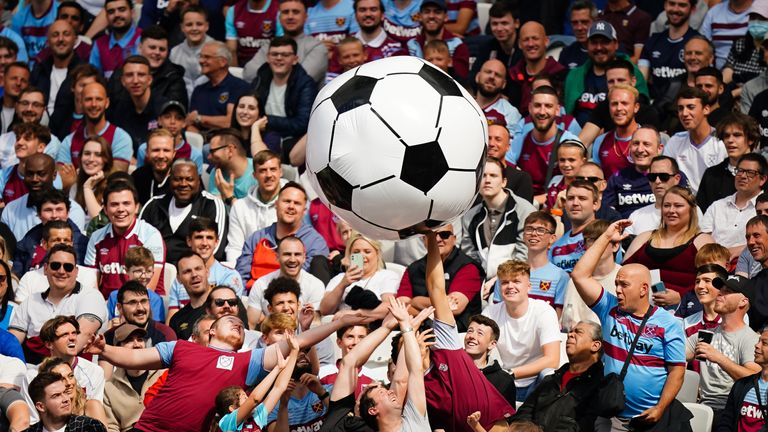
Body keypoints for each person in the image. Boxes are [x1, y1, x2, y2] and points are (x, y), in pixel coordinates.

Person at [86, 302, 373, 431]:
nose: (235, 319)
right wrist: (106, 350)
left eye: (239, 321)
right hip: (148, 430)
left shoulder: (247, 361)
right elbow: (136, 358)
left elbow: (297, 340)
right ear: (210, 331)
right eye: (226, 319)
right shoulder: (182, 348)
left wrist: (340, 322)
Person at [572, 219, 688, 430]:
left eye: (624, 285)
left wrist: (660, 408)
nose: (617, 289)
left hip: (649, 419)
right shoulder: (609, 308)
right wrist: (606, 237)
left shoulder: (667, 323)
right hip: (611, 417)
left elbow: (677, 371)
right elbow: (579, 275)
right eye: (616, 283)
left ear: (644, 289)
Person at [9, 244, 107, 363]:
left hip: (74, 373)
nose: (61, 271)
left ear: (76, 271)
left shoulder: (91, 297)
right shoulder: (30, 301)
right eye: (55, 266)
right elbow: (12, 341)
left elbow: (83, 335)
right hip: (31, 372)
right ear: (45, 269)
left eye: (68, 267)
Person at [481, 260, 561, 402]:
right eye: (505, 282)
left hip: (534, 382)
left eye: (516, 281)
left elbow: (552, 360)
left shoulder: (544, 311)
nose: (510, 286)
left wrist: (511, 374)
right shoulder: (490, 313)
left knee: (549, 374)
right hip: (501, 382)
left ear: (529, 286)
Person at [685, 274, 760, 422]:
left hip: (733, 410)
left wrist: (719, 358)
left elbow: (755, 380)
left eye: (728, 291)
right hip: (703, 407)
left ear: (743, 301)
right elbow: (676, 355)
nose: (720, 293)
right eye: (721, 289)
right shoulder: (705, 335)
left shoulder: (750, 339)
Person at [625, 186, 714, 308]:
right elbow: (624, 272)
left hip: (687, 309)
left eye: (678, 206)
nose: (671, 210)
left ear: (692, 209)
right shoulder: (644, 237)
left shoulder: (702, 241)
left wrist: (681, 296)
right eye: (666, 205)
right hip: (642, 308)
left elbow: (714, 280)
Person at [511, 321, 606, 430]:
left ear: (595, 345)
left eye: (578, 332)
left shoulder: (600, 385)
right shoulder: (550, 380)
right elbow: (524, 412)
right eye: (570, 331)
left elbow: (585, 425)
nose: (570, 334)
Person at [236, 182, 328, 288]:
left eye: (297, 203)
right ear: (276, 205)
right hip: (253, 299)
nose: (291, 206)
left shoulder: (315, 242)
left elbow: (305, 281)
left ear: (304, 211)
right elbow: (240, 278)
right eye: (287, 201)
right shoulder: (256, 238)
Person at [85, 181, 166, 298]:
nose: (120, 209)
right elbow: (91, 285)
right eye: (114, 204)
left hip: (143, 304)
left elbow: (149, 286)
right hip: (106, 306)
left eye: (126, 203)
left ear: (136, 207)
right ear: (105, 210)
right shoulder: (96, 237)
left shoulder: (150, 235)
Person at [398, 224, 483, 332]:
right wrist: (438, 305)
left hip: (456, 332)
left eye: (444, 235)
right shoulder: (413, 269)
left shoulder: (468, 267)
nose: (437, 239)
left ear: (454, 239)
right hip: (418, 329)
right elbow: (400, 307)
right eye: (431, 235)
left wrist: (416, 301)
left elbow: (454, 307)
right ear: (423, 239)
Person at [139, 159, 227, 264]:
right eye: (177, 179)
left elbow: (216, 249)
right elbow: (137, 241)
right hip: (154, 269)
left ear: (198, 181)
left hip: (195, 271)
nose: (183, 184)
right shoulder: (154, 205)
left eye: (189, 179)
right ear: (169, 180)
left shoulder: (211, 204)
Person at [563, 21, 649, 127]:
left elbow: (643, 111)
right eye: (594, 42)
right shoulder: (574, 75)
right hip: (577, 135)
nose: (599, 47)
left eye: (605, 42)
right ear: (587, 45)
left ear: (616, 44)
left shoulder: (632, 72)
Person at [461, 157, 536, 279]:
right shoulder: (470, 216)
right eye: (483, 176)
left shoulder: (525, 210)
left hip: (515, 281)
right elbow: (469, 257)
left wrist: (496, 282)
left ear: (504, 182)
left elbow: (524, 256)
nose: (487, 180)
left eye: (493, 175)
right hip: (481, 284)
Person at [505, 86, 579, 201]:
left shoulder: (569, 142)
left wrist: (534, 201)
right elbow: (505, 178)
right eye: (537, 105)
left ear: (557, 110)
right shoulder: (519, 141)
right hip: (524, 204)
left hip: (557, 205)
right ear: (530, 108)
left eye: (548, 106)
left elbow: (576, 185)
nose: (542, 112)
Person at [215, 333, 298, 432]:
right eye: (245, 397)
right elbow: (254, 399)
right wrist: (277, 369)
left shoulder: (256, 416)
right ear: (232, 408)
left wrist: (294, 351)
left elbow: (279, 388)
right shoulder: (226, 422)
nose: (248, 398)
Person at [166, 218, 244, 322]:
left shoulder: (230, 276)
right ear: (189, 241)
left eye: (209, 238)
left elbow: (231, 314)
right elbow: (172, 319)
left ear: (216, 242)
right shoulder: (180, 279)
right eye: (199, 237)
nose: (204, 243)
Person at [1, 154, 85, 242]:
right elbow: (6, 250)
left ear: (54, 175)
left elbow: (75, 248)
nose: (35, 179)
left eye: (41, 174)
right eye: (30, 174)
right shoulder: (11, 209)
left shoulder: (73, 210)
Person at [242, 0, 328, 84]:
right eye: (285, 12)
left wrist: (269, 73)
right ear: (279, 18)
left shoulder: (317, 47)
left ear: (305, 17)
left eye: (296, 12)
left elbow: (302, 81)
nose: (290, 16)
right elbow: (248, 74)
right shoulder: (269, 45)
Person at [247, 236, 325, 329]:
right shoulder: (261, 284)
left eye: (297, 254)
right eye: (287, 254)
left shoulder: (316, 285)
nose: (292, 259)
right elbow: (252, 325)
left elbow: (313, 326)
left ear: (304, 257)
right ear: (277, 257)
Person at [252, 37, 317, 147]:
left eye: (285, 55)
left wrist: (266, 120)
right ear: (268, 57)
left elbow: (302, 124)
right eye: (274, 54)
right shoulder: (260, 78)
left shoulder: (305, 84)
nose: (279, 58)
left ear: (295, 59)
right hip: (260, 133)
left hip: (291, 140)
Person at [56, 81, 132, 175]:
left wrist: (77, 175)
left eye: (99, 99)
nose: (94, 104)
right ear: (81, 103)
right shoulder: (69, 141)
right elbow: (63, 180)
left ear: (107, 103)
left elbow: (115, 177)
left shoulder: (121, 138)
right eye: (88, 99)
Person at [701, 154, 768, 259]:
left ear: (762, 179)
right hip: (715, 262)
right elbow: (703, 236)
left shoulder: (764, 207)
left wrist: (742, 249)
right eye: (740, 171)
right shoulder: (717, 206)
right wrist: (717, 255)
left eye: (750, 173)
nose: (743, 176)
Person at [663, 86, 726, 194]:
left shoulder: (721, 142)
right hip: (681, 202)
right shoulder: (675, 140)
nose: (684, 113)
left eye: (690, 107)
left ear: (706, 109)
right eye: (680, 108)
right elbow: (665, 177)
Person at [320, 233, 400, 318]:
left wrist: (356, 313)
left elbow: (388, 307)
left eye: (367, 252)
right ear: (350, 255)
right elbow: (325, 310)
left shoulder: (387, 276)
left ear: (377, 254)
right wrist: (342, 285)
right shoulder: (339, 278)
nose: (362, 256)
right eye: (356, 252)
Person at [102, 324, 164, 432]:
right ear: (117, 349)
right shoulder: (109, 387)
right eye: (129, 341)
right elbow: (112, 427)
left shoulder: (163, 374)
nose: (137, 345)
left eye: (140, 340)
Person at [226, 150, 285, 262]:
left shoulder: (292, 202)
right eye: (262, 171)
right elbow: (234, 248)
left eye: (273, 169)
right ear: (254, 175)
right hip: (249, 268)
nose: (268, 175)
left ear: (280, 172)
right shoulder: (239, 207)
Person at [697, 112, 761, 213]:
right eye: (726, 136)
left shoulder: (764, 172)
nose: (730, 140)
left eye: (737, 135)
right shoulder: (711, 175)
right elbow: (700, 213)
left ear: (751, 139)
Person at [638, 0, 698, 102]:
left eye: (682, 5)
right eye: (672, 4)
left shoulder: (698, 43)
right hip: (655, 106)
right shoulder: (653, 41)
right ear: (665, 5)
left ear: (692, 9)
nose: (675, 9)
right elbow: (641, 80)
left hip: (685, 107)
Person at [106, 56, 167, 152]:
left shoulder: (165, 108)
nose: (135, 81)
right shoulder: (118, 109)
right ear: (123, 81)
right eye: (130, 75)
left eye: (141, 75)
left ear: (149, 80)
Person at [188, 41, 250, 132]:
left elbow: (230, 122)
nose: (201, 61)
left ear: (222, 62)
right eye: (200, 56)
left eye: (207, 57)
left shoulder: (239, 87)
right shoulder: (198, 90)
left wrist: (200, 118)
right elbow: (190, 122)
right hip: (201, 141)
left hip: (228, 141)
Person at [603, 127, 663, 219]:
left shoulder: (670, 176)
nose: (640, 149)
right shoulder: (617, 178)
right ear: (630, 147)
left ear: (659, 149)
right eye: (636, 144)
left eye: (646, 144)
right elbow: (606, 215)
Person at [507, 22, 566, 116]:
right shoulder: (512, 75)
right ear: (519, 44)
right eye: (526, 39)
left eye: (535, 38)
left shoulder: (561, 74)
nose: (530, 44)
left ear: (546, 41)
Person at [717, 324, 768, 430]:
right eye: (759, 341)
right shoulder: (741, 385)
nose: (757, 345)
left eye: (764, 343)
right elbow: (726, 422)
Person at [405, 0, 469, 81]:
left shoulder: (458, 45)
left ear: (446, 17)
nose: (431, 16)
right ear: (420, 16)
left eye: (437, 12)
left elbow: (461, 81)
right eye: (427, 12)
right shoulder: (411, 45)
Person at [30, 20, 82, 113]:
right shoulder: (39, 70)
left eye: (66, 34)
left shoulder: (84, 72)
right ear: (48, 41)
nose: (60, 39)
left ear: (75, 40)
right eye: (55, 35)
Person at [26, 372, 106, 432]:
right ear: (41, 406)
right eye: (56, 395)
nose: (66, 399)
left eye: (65, 392)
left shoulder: (89, 426)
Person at [591, 84, 640, 179]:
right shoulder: (600, 141)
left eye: (624, 103)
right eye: (614, 104)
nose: (619, 108)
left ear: (636, 107)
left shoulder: (649, 139)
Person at [626, 156, 685, 236]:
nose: (657, 181)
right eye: (652, 177)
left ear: (677, 179)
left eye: (664, 176)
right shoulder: (636, 216)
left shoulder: (692, 211)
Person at [550, 180, 600, 273]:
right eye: (570, 198)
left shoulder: (603, 235)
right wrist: (557, 209)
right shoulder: (557, 245)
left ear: (595, 204)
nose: (575, 203)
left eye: (582, 198)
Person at [170, 6, 214, 98]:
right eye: (189, 24)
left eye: (199, 24)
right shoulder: (174, 53)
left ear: (207, 26)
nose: (194, 28)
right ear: (182, 27)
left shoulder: (218, 51)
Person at [89, 0, 141, 79]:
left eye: (122, 10)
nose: (116, 15)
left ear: (132, 13)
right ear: (106, 17)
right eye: (111, 12)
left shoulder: (144, 39)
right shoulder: (99, 44)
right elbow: (93, 78)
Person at [476, 60, 521, 144]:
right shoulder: (464, 106)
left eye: (498, 75)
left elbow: (510, 149)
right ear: (477, 77)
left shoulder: (510, 113)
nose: (492, 77)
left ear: (504, 84)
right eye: (488, 72)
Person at [71, 136, 116, 221]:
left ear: (106, 159)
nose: (91, 159)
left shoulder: (113, 187)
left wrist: (87, 188)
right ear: (80, 157)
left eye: (98, 155)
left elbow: (100, 222)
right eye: (87, 153)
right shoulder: (75, 187)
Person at [207, 128, 257, 203]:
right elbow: (215, 208)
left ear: (230, 150)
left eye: (213, 151)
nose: (209, 157)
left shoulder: (259, 171)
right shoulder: (216, 173)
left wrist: (228, 196)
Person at [486, 124, 534, 203]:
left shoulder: (521, 179)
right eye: (488, 138)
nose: (491, 143)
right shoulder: (473, 175)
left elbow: (524, 212)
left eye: (498, 139)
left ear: (508, 146)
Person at [699, 0, 752, 69]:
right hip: (717, 73)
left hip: (751, 70)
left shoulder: (762, 9)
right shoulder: (714, 12)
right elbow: (701, 44)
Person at [225, 0, 279, 66]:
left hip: (268, 63)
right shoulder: (233, 10)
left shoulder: (278, 10)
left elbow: (280, 46)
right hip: (242, 63)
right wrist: (235, 73)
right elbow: (232, 49)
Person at [230, 92, 278, 157]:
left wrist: (255, 127)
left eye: (251, 108)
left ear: (260, 114)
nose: (245, 112)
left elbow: (261, 161)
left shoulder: (271, 137)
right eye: (241, 107)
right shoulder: (227, 137)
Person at [545, 140, 587, 211]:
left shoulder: (589, 185)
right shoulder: (555, 181)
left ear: (583, 161)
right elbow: (546, 210)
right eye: (562, 160)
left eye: (571, 160)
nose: (566, 164)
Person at [559, 0, 596, 70]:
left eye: (584, 22)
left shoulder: (605, 51)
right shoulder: (566, 53)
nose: (579, 28)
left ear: (595, 22)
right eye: (575, 23)